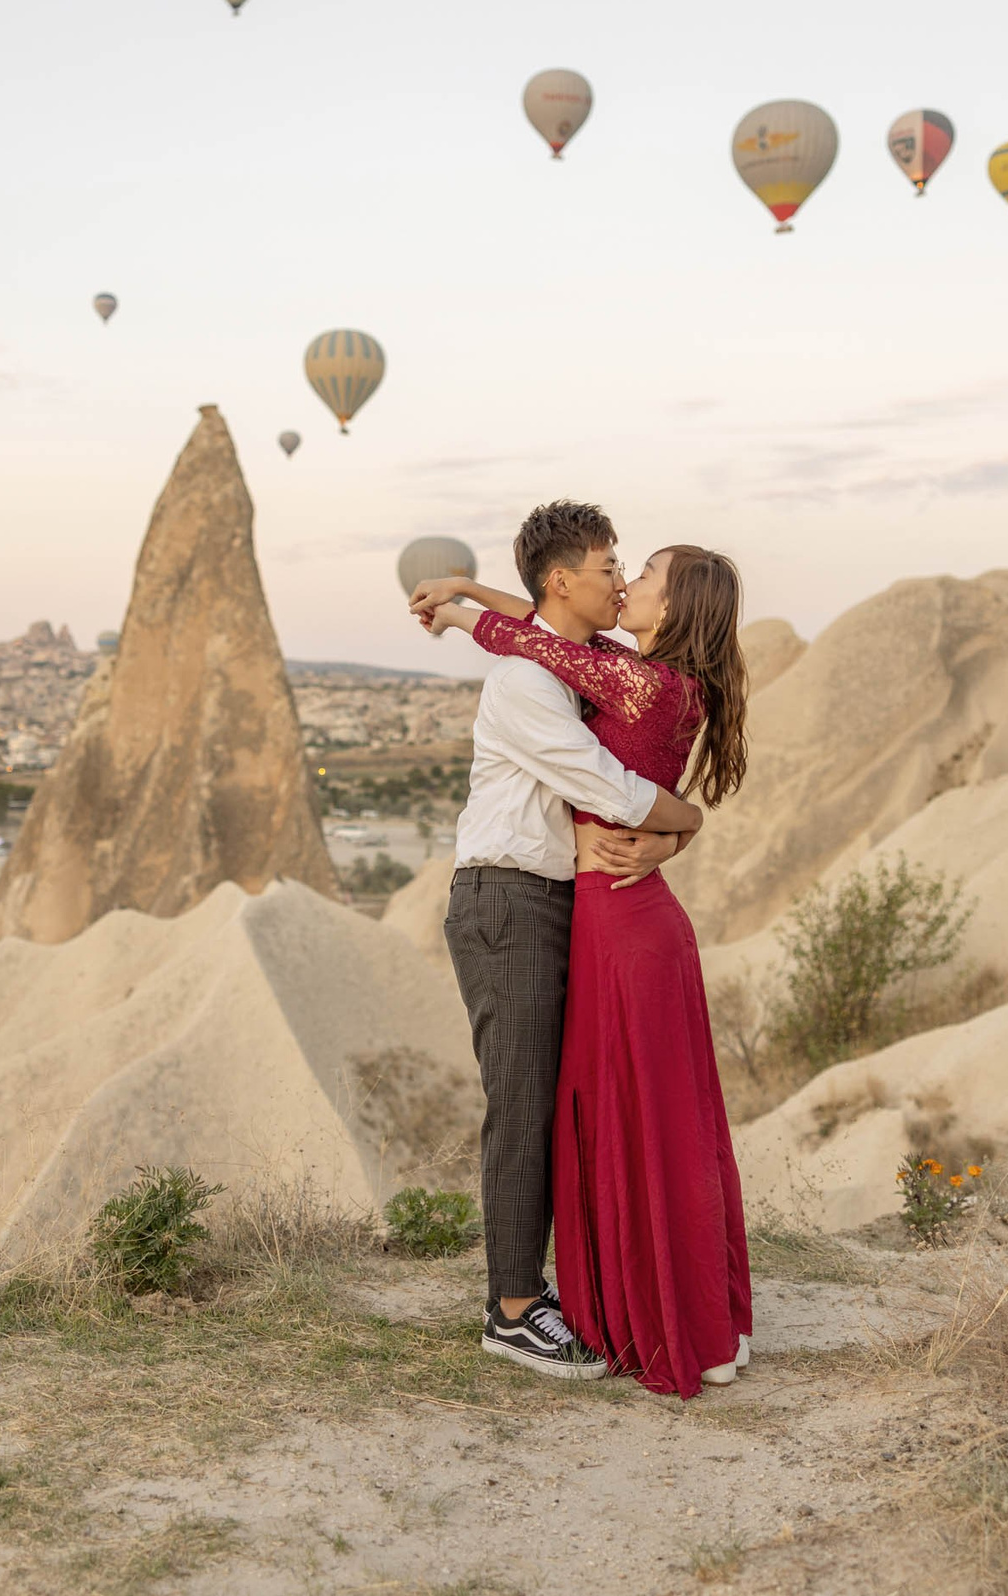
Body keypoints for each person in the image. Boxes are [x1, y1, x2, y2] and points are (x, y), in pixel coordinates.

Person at [415, 537, 753, 1397]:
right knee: (597, 1111)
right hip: (566, 905)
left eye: (642, 574)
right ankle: (610, 1306)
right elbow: (542, 624)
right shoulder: (632, 675)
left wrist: (457, 615)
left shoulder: (636, 680)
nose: (626, 581)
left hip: (609, 913)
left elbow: (534, 632)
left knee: (622, 1115)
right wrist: (466, 591)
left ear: (674, 608)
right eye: (617, 569)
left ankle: (585, 1308)